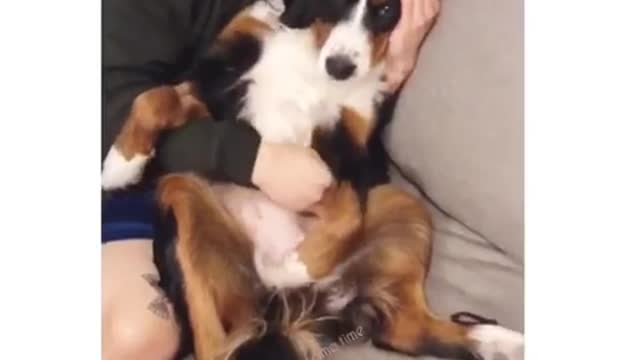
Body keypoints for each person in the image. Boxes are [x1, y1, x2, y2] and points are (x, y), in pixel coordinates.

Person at [101, 0, 441, 358]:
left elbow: (346, 137)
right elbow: (108, 105)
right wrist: (254, 161)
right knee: (137, 332)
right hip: (150, 174)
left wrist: (389, 69)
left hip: (297, 215)